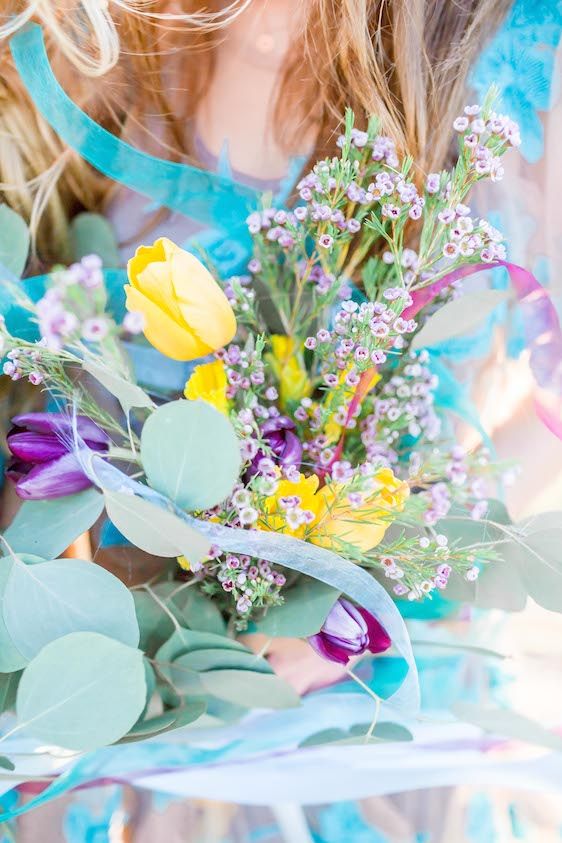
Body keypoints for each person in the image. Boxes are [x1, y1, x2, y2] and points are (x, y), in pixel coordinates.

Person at [1, 1, 561, 840]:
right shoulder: (96, 32)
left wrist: (349, 614)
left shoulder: (516, 72)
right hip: (124, 713)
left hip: (373, 732)